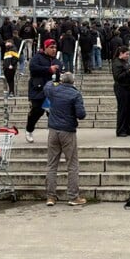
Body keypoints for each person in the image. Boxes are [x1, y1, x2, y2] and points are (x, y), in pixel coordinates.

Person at [44, 72, 87, 207]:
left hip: (53, 130)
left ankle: (51, 197)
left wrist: (55, 80)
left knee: (51, 165)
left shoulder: (54, 90)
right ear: (73, 82)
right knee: (72, 165)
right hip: (68, 131)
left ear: (62, 81)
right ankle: (73, 197)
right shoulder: (75, 94)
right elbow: (81, 114)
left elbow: (47, 85)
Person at [25, 39, 61, 143]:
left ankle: (54, 135)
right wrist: (48, 69)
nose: (54, 50)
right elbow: (33, 68)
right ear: (45, 48)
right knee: (36, 111)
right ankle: (29, 130)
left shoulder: (56, 61)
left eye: (55, 48)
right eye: (51, 48)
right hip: (38, 90)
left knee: (53, 113)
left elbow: (59, 73)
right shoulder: (37, 57)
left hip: (52, 92)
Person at [112, 46, 130, 137]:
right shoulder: (116, 63)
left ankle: (128, 128)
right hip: (121, 88)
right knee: (122, 109)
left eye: (129, 54)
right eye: (127, 54)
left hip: (128, 88)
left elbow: (126, 75)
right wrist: (129, 72)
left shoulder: (125, 62)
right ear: (121, 53)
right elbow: (118, 77)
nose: (128, 56)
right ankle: (121, 130)